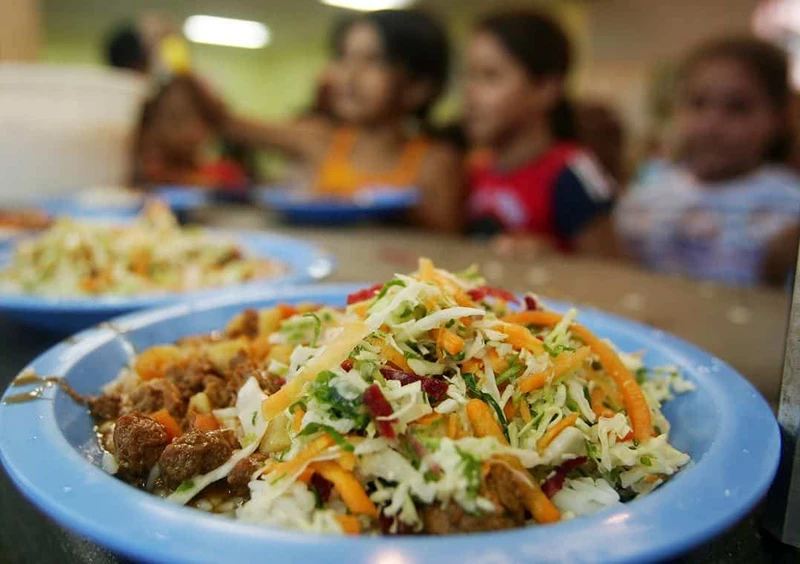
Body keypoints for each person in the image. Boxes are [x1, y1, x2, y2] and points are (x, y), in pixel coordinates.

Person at [219, 9, 464, 232]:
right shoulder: (320, 140)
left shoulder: (436, 162)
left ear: (417, 86)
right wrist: (180, 62)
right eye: (344, 57)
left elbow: (447, 251)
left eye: (373, 60)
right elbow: (226, 124)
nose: (350, 74)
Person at [615, 37, 800, 287]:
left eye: (737, 108)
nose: (711, 124)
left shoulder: (789, 206)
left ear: (778, 117)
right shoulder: (646, 197)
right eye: (698, 103)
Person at [463, 10, 618, 255]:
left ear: (545, 89)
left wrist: (553, 259)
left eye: (490, 76)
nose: (470, 93)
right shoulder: (476, 168)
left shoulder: (573, 172)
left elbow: (610, 270)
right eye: (469, 75)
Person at [133, 76, 250, 191]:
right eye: (177, 119)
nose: (196, 132)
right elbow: (153, 173)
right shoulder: (149, 160)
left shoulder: (219, 172)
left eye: (205, 121)